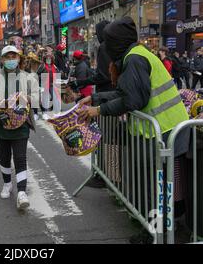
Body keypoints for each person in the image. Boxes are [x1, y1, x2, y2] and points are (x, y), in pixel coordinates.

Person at [79, 17, 190, 243]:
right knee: (161, 185)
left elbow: (133, 100)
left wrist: (98, 111)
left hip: (165, 131)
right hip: (166, 129)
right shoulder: (136, 55)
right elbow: (125, 91)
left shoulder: (135, 59)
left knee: (156, 187)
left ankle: (155, 234)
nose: (106, 48)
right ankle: (161, 230)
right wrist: (96, 98)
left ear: (117, 42)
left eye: (109, 42)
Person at [0, 45, 39, 210]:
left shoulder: (28, 77)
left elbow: (36, 97)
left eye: (14, 57)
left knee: (20, 157)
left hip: (22, 123)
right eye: (7, 57)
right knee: (4, 157)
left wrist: (25, 98)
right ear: (2, 60)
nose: (11, 60)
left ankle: (21, 191)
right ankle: (7, 184)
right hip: (1, 123)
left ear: (19, 59)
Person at [70, 21, 114, 94]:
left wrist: (78, 82)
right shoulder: (114, 45)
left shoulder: (104, 47)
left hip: (105, 91)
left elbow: (102, 76)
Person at [37, 46, 61, 119]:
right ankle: (45, 113)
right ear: (45, 59)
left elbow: (57, 73)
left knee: (56, 98)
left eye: (50, 58)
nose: (48, 59)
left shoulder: (54, 66)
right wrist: (42, 78)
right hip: (45, 85)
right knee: (45, 99)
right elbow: (37, 75)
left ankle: (57, 112)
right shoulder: (42, 66)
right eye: (47, 58)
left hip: (53, 85)